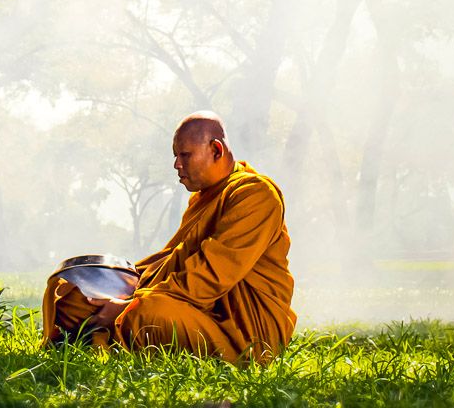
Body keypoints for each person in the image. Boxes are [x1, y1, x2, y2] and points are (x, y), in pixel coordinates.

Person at [42, 111, 295, 364]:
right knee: (70, 292)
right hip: (192, 310)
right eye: (176, 156)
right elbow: (170, 262)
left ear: (216, 150)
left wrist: (128, 303)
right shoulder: (203, 199)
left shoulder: (255, 195)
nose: (176, 165)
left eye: (185, 155)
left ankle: (100, 338)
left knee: (145, 313)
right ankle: (99, 334)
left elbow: (209, 277)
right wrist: (117, 286)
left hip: (242, 335)